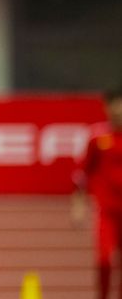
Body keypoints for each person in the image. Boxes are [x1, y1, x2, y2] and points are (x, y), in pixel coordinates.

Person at [72, 86, 122, 299]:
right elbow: (83, 173)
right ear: (106, 107)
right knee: (104, 259)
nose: (119, 109)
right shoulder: (97, 137)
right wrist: (78, 205)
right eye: (115, 104)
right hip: (106, 211)